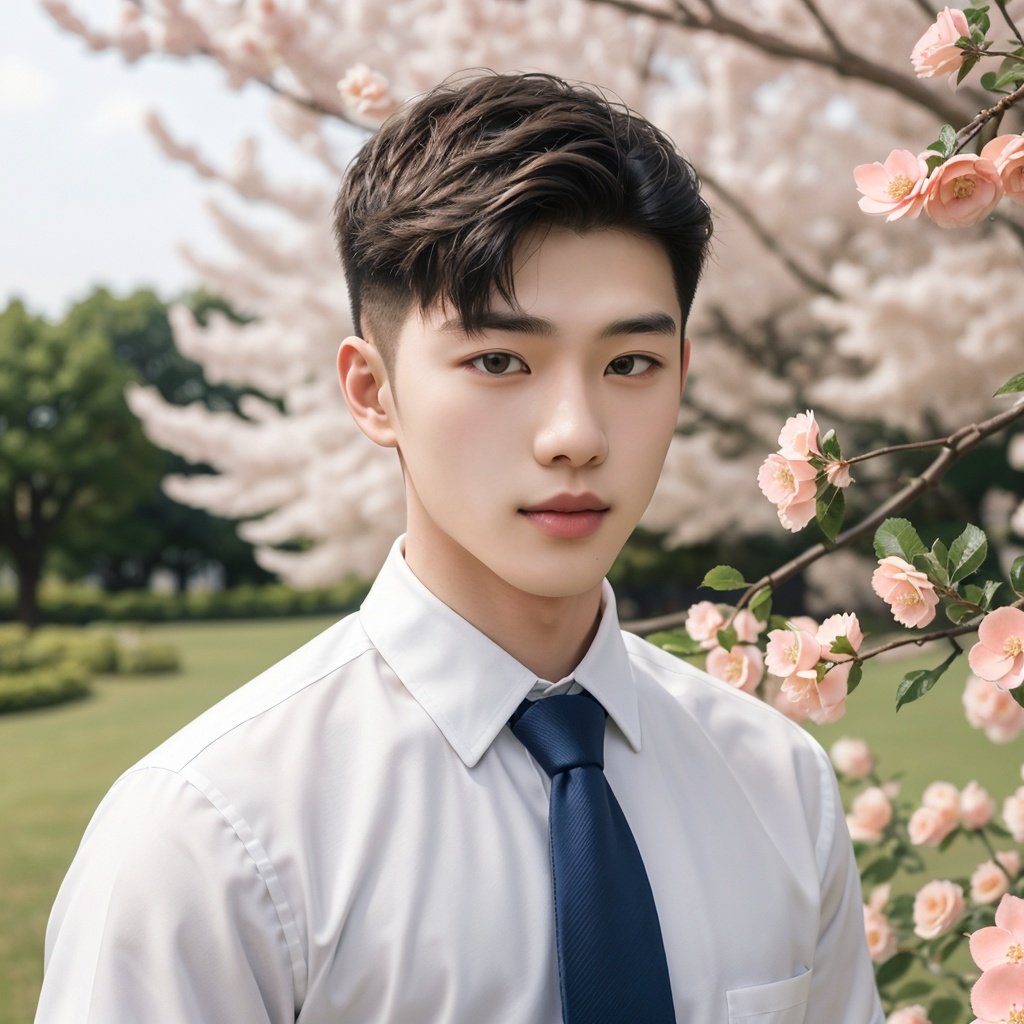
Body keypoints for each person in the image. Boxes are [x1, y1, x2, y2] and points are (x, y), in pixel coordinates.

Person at [36, 71, 882, 1023]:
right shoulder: (212, 835)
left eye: (630, 364)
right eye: (498, 361)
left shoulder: (777, 784)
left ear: (682, 372)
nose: (576, 433)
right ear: (372, 391)